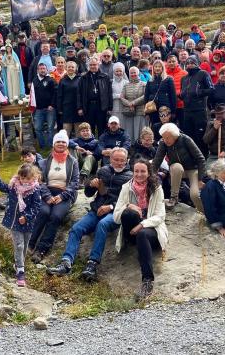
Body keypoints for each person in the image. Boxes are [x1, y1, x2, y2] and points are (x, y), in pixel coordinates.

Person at [48, 147, 132, 281]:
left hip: (116, 212)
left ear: (127, 160)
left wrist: (111, 206)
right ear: (110, 159)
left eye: (122, 160)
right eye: (116, 159)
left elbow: (129, 201)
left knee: (102, 225)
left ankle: (92, 264)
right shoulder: (103, 171)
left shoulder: (130, 177)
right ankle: (66, 262)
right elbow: (88, 194)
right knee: (76, 228)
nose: (119, 162)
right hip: (96, 210)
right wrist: (91, 185)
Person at [113, 159, 168, 301]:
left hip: (151, 230)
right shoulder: (126, 187)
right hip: (131, 232)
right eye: (136, 171)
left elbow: (160, 216)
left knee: (142, 234)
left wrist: (142, 224)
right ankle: (133, 242)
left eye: (143, 171)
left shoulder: (156, 188)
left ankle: (147, 280)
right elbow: (116, 217)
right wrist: (128, 205)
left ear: (149, 173)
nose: (139, 174)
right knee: (128, 213)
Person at [28, 130, 80, 262]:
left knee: (55, 216)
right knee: (43, 212)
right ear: (53, 144)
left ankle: (42, 249)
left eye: (63, 142)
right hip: (47, 192)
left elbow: (75, 182)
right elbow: (39, 181)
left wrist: (62, 196)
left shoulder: (73, 161)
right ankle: (30, 244)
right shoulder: (44, 162)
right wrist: (47, 196)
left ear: (67, 144)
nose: (61, 144)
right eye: (58, 141)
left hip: (65, 194)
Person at [0, 163, 42, 287]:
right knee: (19, 246)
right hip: (15, 222)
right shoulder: (14, 186)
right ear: (19, 176)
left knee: (25, 246)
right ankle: (20, 271)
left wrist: (26, 217)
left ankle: (19, 264)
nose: (24, 181)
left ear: (34, 177)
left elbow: (36, 206)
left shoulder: (35, 189)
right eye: (22, 178)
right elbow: (3, 187)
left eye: (28, 178)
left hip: (28, 223)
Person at [153, 123, 206, 211]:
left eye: (167, 137)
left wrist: (200, 179)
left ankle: (204, 212)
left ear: (174, 135)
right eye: (163, 137)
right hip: (176, 170)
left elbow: (200, 158)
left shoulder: (186, 139)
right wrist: (152, 175)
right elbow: (157, 161)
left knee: (195, 195)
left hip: (192, 169)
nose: (165, 140)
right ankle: (174, 197)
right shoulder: (163, 143)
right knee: (177, 167)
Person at [180, 56, 214, 154]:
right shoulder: (184, 78)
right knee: (189, 136)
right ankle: (192, 157)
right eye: (187, 63)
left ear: (197, 64)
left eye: (192, 63)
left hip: (199, 110)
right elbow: (184, 91)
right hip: (187, 111)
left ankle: (203, 156)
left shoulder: (203, 74)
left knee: (200, 135)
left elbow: (211, 89)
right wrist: (182, 95)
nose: (189, 65)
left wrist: (199, 92)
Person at [78, 57, 112, 138]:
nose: (93, 66)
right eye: (91, 65)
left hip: (101, 106)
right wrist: (79, 107)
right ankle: (90, 143)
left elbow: (109, 93)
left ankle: (101, 143)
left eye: (95, 64)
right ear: (88, 66)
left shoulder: (105, 77)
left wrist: (110, 107)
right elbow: (79, 93)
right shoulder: (83, 78)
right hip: (88, 106)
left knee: (102, 128)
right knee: (89, 127)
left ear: (98, 65)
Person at [203, 104, 225, 168]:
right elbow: (206, 140)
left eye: (221, 113)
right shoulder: (210, 124)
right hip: (214, 154)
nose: (219, 115)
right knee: (208, 171)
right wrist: (214, 129)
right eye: (217, 114)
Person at [31, 63, 57, 149]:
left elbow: (55, 93)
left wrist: (52, 104)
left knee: (50, 128)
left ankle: (50, 146)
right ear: (38, 70)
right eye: (40, 69)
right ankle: (42, 146)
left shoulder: (51, 80)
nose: (42, 70)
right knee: (37, 128)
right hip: (38, 109)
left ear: (46, 70)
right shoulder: (34, 80)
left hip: (50, 108)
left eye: (44, 69)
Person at [120, 67, 146, 141]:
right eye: (131, 73)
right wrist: (129, 104)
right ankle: (130, 146)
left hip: (140, 112)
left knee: (139, 131)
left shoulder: (144, 84)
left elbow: (145, 96)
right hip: (129, 112)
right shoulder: (126, 85)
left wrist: (133, 103)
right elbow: (122, 97)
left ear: (138, 73)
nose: (133, 74)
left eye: (134, 72)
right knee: (129, 131)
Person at [56, 60, 81, 136]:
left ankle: (78, 144)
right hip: (66, 109)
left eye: (72, 67)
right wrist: (59, 108)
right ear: (66, 68)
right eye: (69, 67)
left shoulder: (80, 79)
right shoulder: (62, 80)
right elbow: (59, 95)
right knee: (66, 132)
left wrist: (81, 107)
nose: (71, 68)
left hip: (78, 109)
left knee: (78, 132)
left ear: (76, 69)